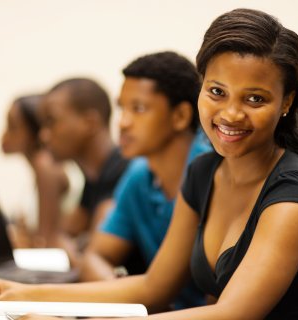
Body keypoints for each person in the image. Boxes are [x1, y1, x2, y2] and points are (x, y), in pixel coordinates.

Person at [0, 8, 298, 319]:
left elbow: (232, 314)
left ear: (286, 102)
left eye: (255, 99)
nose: (231, 114)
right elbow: (154, 287)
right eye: (217, 92)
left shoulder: (294, 195)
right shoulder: (203, 174)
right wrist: (22, 292)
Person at [79, 51, 211, 309]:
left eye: (138, 109)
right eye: (122, 108)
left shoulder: (212, 171)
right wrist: (117, 295)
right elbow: (95, 254)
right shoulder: (139, 174)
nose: (123, 123)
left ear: (180, 116)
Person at [39, 78, 130, 240]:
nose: (44, 135)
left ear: (90, 123)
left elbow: (89, 256)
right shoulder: (94, 177)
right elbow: (62, 236)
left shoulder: (124, 173)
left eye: (51, 121)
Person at [1, 94, 78, 248]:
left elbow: (46, 242)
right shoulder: (40, 168)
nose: (4, 135)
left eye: (13, 127)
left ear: (34, 131)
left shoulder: (46, 166)